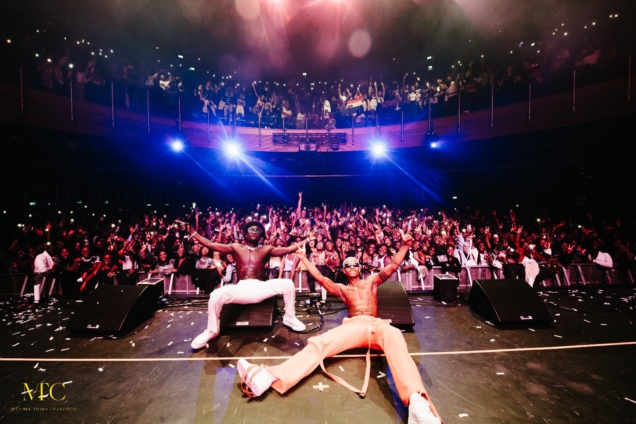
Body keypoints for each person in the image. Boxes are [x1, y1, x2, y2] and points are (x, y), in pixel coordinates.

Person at [237, 230, 443, 424]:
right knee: (320, 342)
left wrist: (405, 245)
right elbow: (320, 278)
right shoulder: (343, 290)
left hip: (376, 325)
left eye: (355, 264)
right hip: (353, 326)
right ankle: (268, 377)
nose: (352, 266)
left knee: (394, 335)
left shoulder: (372, 281)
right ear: (344, 270)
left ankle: (417, 403)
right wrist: (304, 258)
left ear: (359, 268)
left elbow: (394, 265)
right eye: (348, 265)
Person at [175, 220, 310, 350]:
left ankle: (289, 318)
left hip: (259, 287)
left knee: (287, 283)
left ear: (261, 236)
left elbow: (288, 249)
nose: (255, 231)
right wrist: (192, 231)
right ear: (244, 234)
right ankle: (212, 331)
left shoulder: (266, 249)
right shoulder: (236, 247)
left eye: (258, 230)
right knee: (215, 295)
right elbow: (210, 244)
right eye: (251, 229)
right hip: (241, 288)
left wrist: (308, 239)